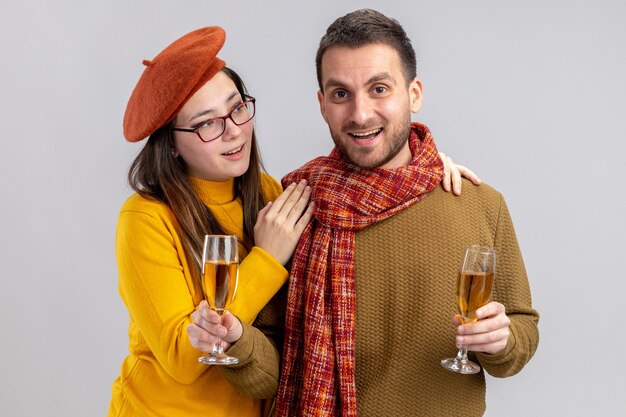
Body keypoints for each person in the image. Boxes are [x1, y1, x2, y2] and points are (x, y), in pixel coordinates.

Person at [109, 25, 476, 417]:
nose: (233, 132)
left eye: (236, 109)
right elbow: (184, 359)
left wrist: (425, 171)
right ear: (172, 144)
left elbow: (352, 187)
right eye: (206, 124)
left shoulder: (271, 193)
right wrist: (266, 258)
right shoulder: (145, 218)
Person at [194, 9, 540, 417]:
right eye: (341, 94)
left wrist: (501, 340)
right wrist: (237, 341)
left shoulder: (480, 204)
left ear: (414, 94)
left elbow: (521, 330)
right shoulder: (295, 205)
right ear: (322, 104)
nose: (360, 114)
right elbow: (274, 371)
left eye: (379, 89)